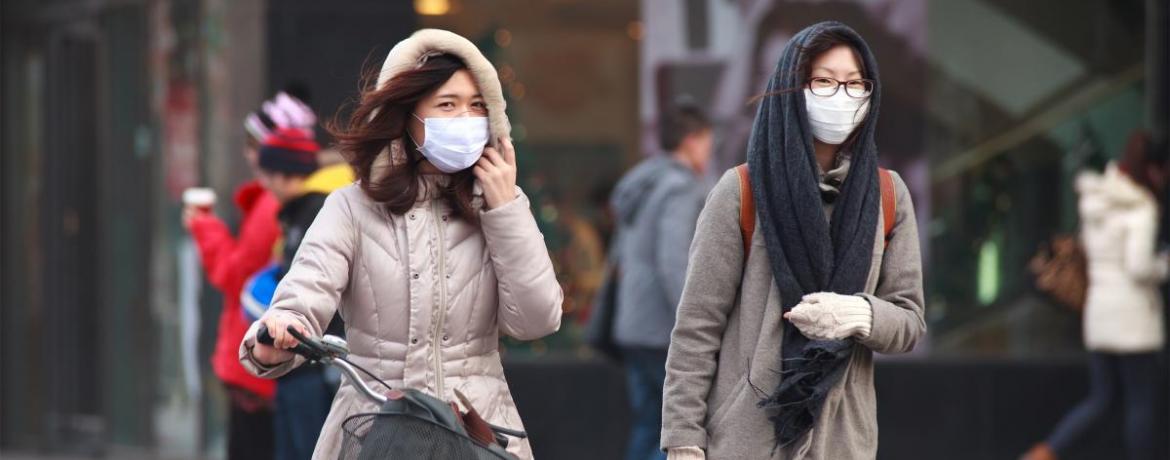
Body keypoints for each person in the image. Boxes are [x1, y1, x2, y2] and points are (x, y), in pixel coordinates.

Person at [238, 29, 563, 460]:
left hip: (478, 434)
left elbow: (537, 320)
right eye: (447, 105)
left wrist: (504, 209)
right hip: (375, 431)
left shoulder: (502, 207)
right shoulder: (351, 207)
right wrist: (277, 331)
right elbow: (303, 296)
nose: (465, 119)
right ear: (407, 116)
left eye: (477, 107)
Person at [660, 21, 925, 459]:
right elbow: (696, 327)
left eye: (855, 84)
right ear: (791, 86)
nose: (841, 96)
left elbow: (909, 322)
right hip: (747, 439)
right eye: (823, 81)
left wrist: (859, 313)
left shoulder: (888, 195)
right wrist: (684, 440)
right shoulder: (742, 190)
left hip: (842, 441)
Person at [182, 92, 317, 459]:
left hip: (262, 369)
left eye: (253, 143)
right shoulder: (285, 205)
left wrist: (203, 228)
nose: (248, 153)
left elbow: (233, 274)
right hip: (273, 364)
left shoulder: (273, 208)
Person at [1022, 132, 1168, 460]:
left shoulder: (1097, 200)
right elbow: (1139, 266)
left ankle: (1044, 453)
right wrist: (1164, 264)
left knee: (1102, 399)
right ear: (1152, 169)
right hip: (1133, 320)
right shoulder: (1141, 209)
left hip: (1100, 314)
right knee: (1141, 402)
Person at [607, 102, 713, 460]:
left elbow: (619, 258)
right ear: (691, 140)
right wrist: (694, 323)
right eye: (707, 142)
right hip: (663, 327)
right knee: (672, 432)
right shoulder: (680, 187)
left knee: (646, 424)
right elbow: (674, 261)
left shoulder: (641, 183)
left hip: (633, 323)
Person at [252, 125, 346, 460]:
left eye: (266, 174)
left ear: (282, 174)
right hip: (294, 355)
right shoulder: (302, 212)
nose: (263, 184)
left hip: (313, 361)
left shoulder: (317, 211)